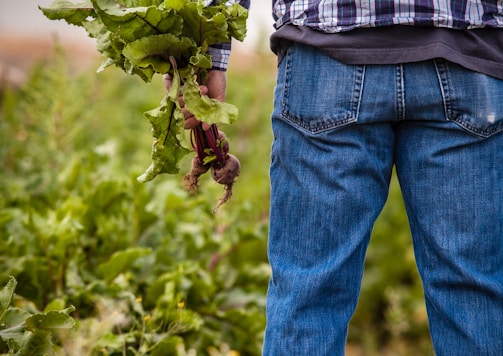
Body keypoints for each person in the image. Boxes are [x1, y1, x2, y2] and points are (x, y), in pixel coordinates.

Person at [168, 0, 503, 354]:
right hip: (467, 56)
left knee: (309, 296)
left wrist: (204, 56)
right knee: (473, 294)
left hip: (325, 59)